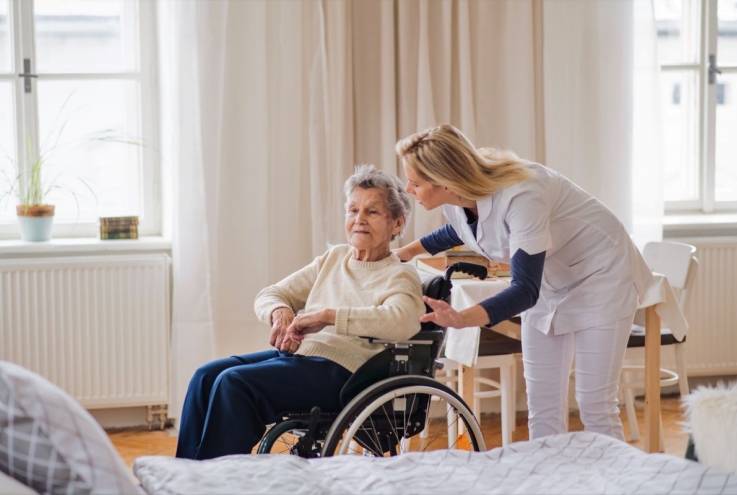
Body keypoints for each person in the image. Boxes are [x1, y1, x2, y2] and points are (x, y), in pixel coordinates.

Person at [394, 124, 654, 442]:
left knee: (595, 404)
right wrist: (405, 252)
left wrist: (463, 318)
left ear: (446, 182)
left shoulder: (523, 194)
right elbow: (460, 229)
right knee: (542, 406)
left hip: (603, 276)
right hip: (551, 279)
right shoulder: (457, 196)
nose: (408, 189)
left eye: (415, 183)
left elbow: (524, 291)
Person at [176, 164, 425, 460]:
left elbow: (401, 322)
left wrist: (327, 316)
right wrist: (279, 312)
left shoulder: (400, 275)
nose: (359, 220)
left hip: (348, 374)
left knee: (234, 384)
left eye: (372, 212)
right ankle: (187, 475)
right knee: (205, 376)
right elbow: (270, 294)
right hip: (303, 358)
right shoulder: (335, 258)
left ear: (397, 224)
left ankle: (217, 483)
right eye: (353, 210)